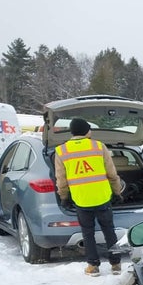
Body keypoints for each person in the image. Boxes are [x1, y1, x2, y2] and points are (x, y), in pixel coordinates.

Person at [54, 118, 124, 276]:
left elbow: (61, 179)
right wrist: (117, 192)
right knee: (109, 230)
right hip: (102, 197)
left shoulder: (61, 151)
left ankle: (93, 267)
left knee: (87, 233)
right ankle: (116, 264)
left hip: (81, 199)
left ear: (72, 132)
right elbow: (111, 173)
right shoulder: (99, 146)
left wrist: (64, 197)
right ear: (87, 131)